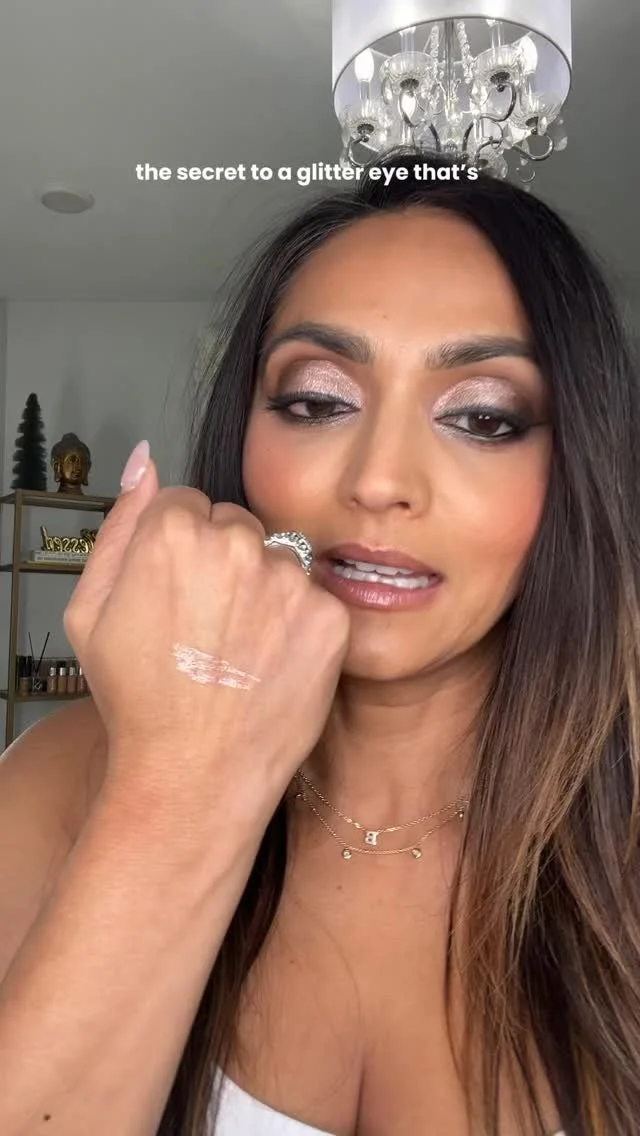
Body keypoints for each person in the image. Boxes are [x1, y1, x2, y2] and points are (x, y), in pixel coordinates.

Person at [0, 149, 638, 1136]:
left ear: (577, 468)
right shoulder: (58, 780)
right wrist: (175, 795)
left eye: (483, 417)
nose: (378, 480)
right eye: (316, 401)